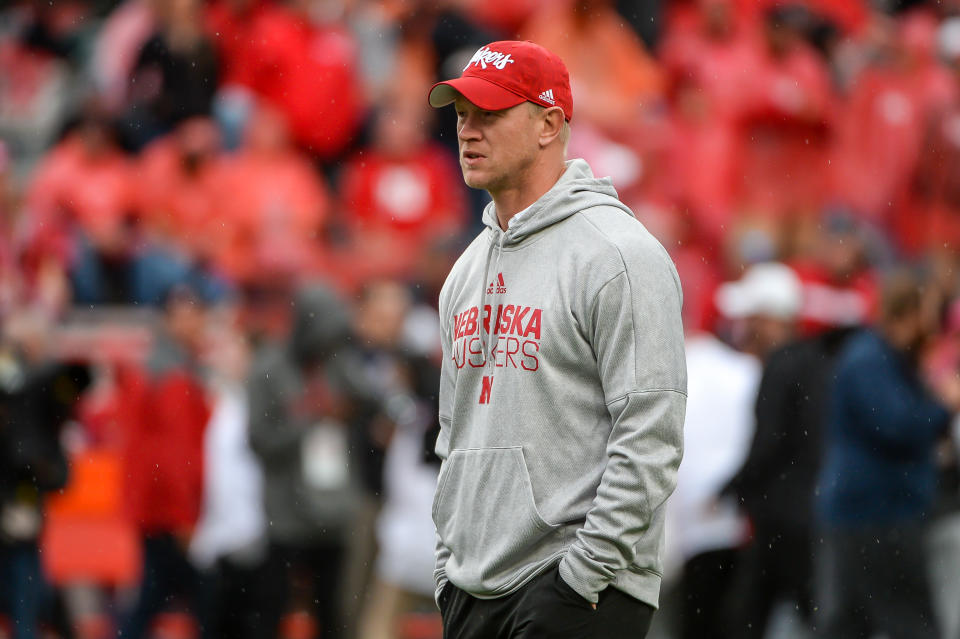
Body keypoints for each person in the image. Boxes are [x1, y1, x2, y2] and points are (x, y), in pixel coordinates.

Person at [426, 40, 687, 638]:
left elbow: (651, 434)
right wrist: (448, 569)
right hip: (472, 590)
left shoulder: (619, 254)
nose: (467, 131)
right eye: (461, 115)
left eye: (489, 114)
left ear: (549, 125)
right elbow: (454, 435)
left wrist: (583, 575)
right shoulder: (464, 272)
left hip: (574, 590)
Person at [814, 269, 960, 639]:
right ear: (907, 312)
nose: (932, 326)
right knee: (907, 623)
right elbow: (896, 425)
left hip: (877, 514)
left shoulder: (886, 359)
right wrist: (943, 405)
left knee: (855, 623)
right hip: (876, 517)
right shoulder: (869, 359)